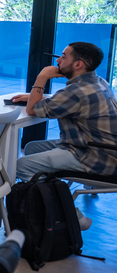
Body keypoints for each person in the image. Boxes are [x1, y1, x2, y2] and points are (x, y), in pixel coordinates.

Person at [13, 42, 117, 180]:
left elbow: (32, 109)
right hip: (105, 149)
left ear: (78, 65)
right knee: (32, 148)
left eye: (63, 57)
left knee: (20, 165)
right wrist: (36, 97)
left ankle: (51, 196)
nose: (57, 60)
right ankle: (48, 182)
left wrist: (42, 77)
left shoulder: (75, 92)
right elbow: (72, 100)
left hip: (95, 157)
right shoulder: (99, 81)